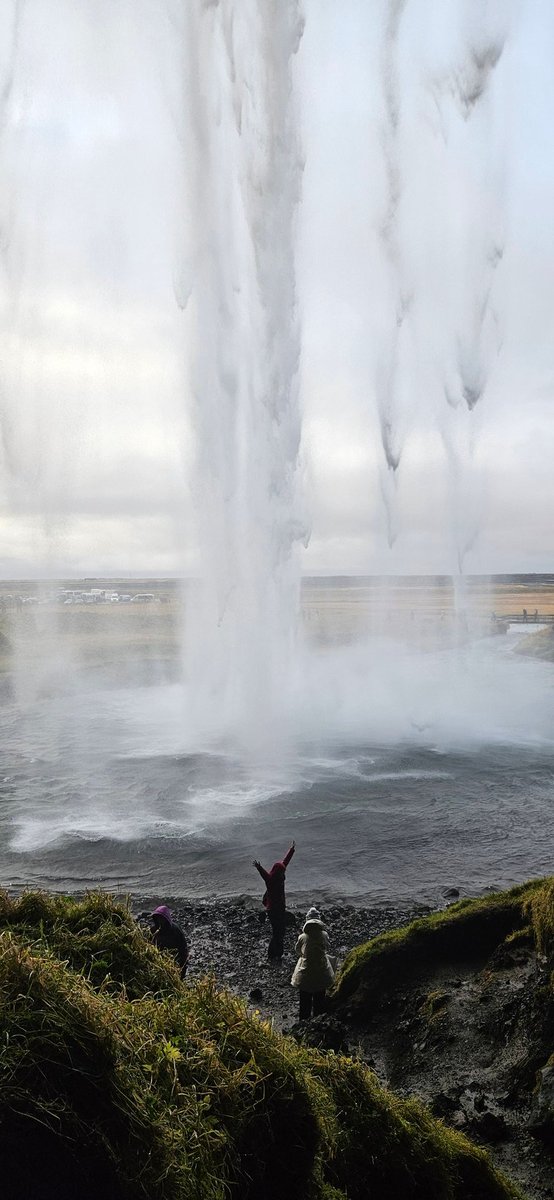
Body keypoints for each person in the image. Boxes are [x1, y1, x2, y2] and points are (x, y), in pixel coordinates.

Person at [253, 842, 295, 961]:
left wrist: (291, 850)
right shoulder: (270, 880)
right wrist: (258, 867)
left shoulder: (279, 874)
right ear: (278, 872)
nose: (283, 874)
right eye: (282, 872)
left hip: (279, 908)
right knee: (278, 932)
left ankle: (277, 953)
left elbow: (285, 862)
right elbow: (263, 874)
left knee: (280, 931)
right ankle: (273, 954)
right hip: (273, 910)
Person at [291, 907, 335, 1020]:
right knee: (319, 1002)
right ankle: (318, 1022)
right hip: (322, 975)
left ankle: (303, 1024)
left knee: (304, 1003)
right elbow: (327, 947)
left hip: (304, 977)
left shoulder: (302, 937)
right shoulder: (324, 935)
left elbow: (297, 951)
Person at [151, 905, 189, 978]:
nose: (160, 920)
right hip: (160, 961)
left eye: (162, 918)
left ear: (166, 919)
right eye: (158, 918)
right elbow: (149, 943)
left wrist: (183, 964)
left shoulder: (175, 931)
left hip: (175, 959)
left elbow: (183, 947)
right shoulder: (154, 930)